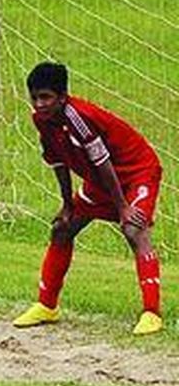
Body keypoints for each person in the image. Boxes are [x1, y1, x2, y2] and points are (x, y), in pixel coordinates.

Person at [12, 62, 164, 335]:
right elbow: (57, 160)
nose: (39, 103)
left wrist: (123, 208)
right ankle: (47, 306)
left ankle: (151, 313)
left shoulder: (79, 117)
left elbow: (103, 160)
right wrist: (67, 205)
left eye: (46, 97)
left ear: (62, 96)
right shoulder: (41, 120)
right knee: (62, 229)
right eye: (34, 97)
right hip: (101, 181)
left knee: (133, 228)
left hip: (136, 172)